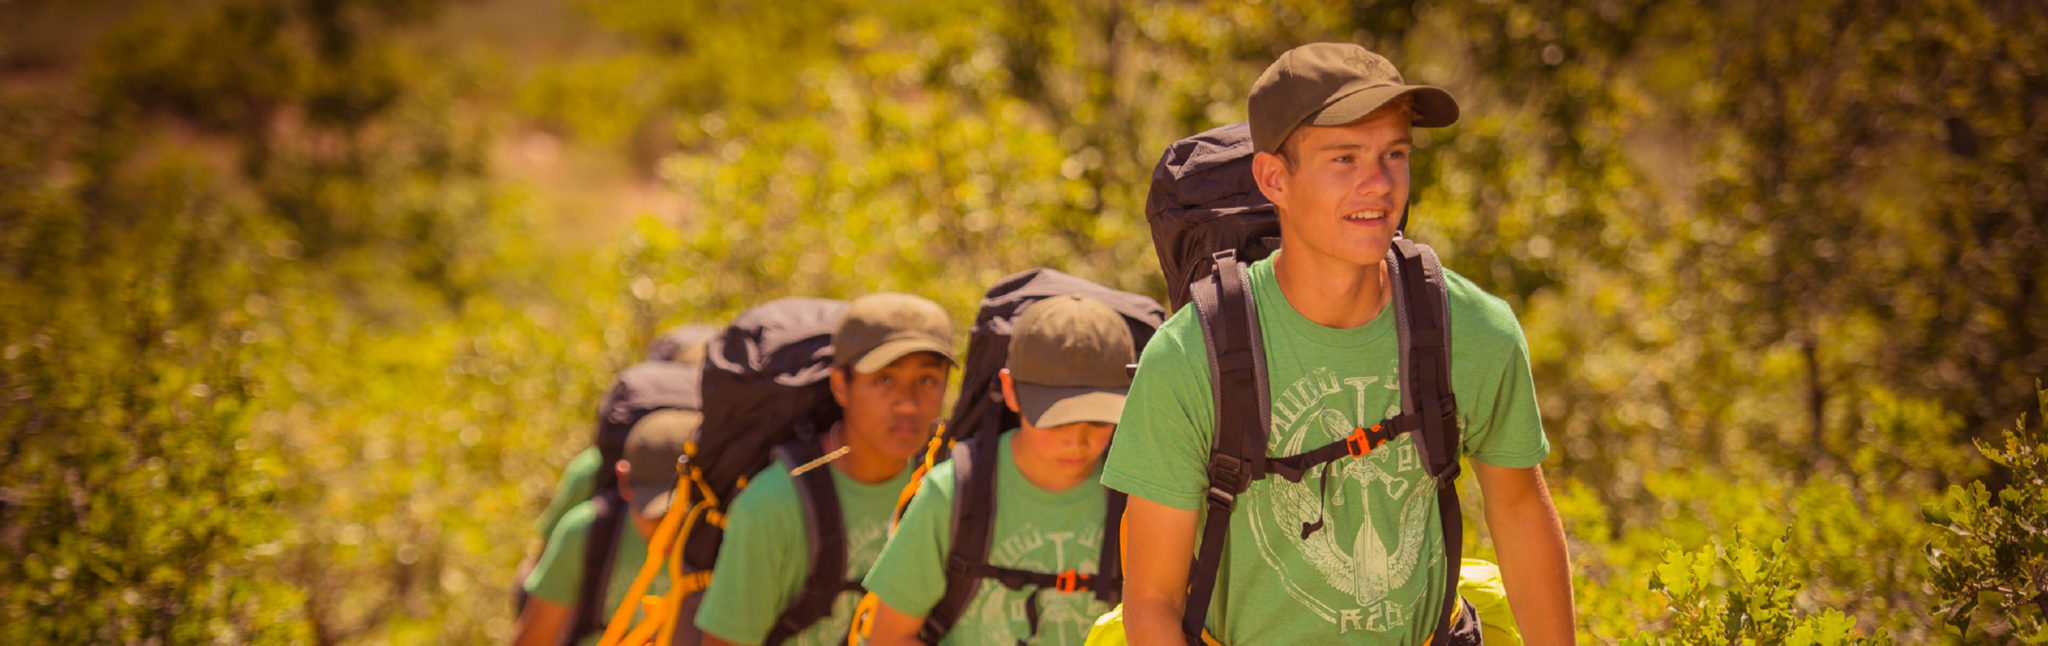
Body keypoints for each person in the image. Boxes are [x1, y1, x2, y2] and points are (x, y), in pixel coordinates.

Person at [1105, 43, 1577, 644]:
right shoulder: (1187, 358)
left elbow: (1519, 511)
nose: (1378, 185)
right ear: (1274, 177)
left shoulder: (1473, 330)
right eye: (1345, 158)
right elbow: (1152, 601)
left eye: (1394, 154)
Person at [862, 295, 1134, 645]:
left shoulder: (1134, 495)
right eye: (1054, 419)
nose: (1076, 441)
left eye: (1098, 419)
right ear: (1010, 390)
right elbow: (889, 637)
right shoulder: (953, 492)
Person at [695, 294, 957, 646]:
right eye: (884, 380)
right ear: (840, 386)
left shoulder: (950, 487)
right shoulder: (771, 507)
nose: (908, 403)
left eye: (927, 380)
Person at [515, 408, 702, 646]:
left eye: (683, 517)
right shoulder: (587, 532)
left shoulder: (727, 543)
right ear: (624, 481)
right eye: (657, 516)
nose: (669, 530)